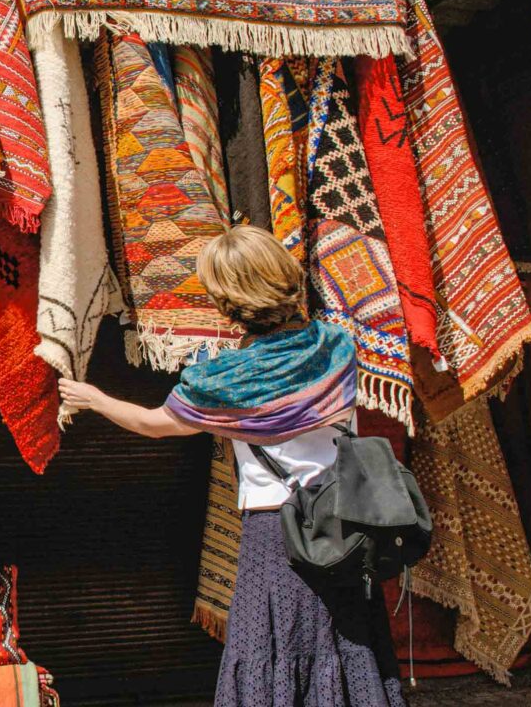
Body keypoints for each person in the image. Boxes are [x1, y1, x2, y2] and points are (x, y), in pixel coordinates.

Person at [59, 225, 406, 707]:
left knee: (271, 652)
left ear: (229, 303)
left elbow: (156, 424)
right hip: (345, 521)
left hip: (276, 535)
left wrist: (95, 398)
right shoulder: (337, 347)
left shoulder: (222, 381)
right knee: (347, 647)